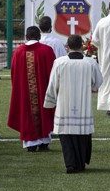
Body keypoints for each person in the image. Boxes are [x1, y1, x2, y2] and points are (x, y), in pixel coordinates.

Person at [44, 35, 103, 174]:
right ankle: (81, 163)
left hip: (64, 104)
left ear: (67, 46)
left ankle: (70, 164)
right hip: (83, 104)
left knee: (66, 135)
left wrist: (50, 101)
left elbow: (53, 84)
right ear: (82, 46)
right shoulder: (90, 63)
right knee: (82, 134)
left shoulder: (59, 62)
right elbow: (98, 82)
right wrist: (91, 88)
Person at [7, 26, 56, 152]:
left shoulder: (18, 52)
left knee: (27, 113)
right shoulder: (47, 50)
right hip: (43, 91)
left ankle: (31, 144)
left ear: (26, 37)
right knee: (44, 112)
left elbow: (14, 74)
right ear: (39, 37)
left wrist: (18, 88)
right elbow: (53, 72)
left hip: (24, 92)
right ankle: (44, 142)